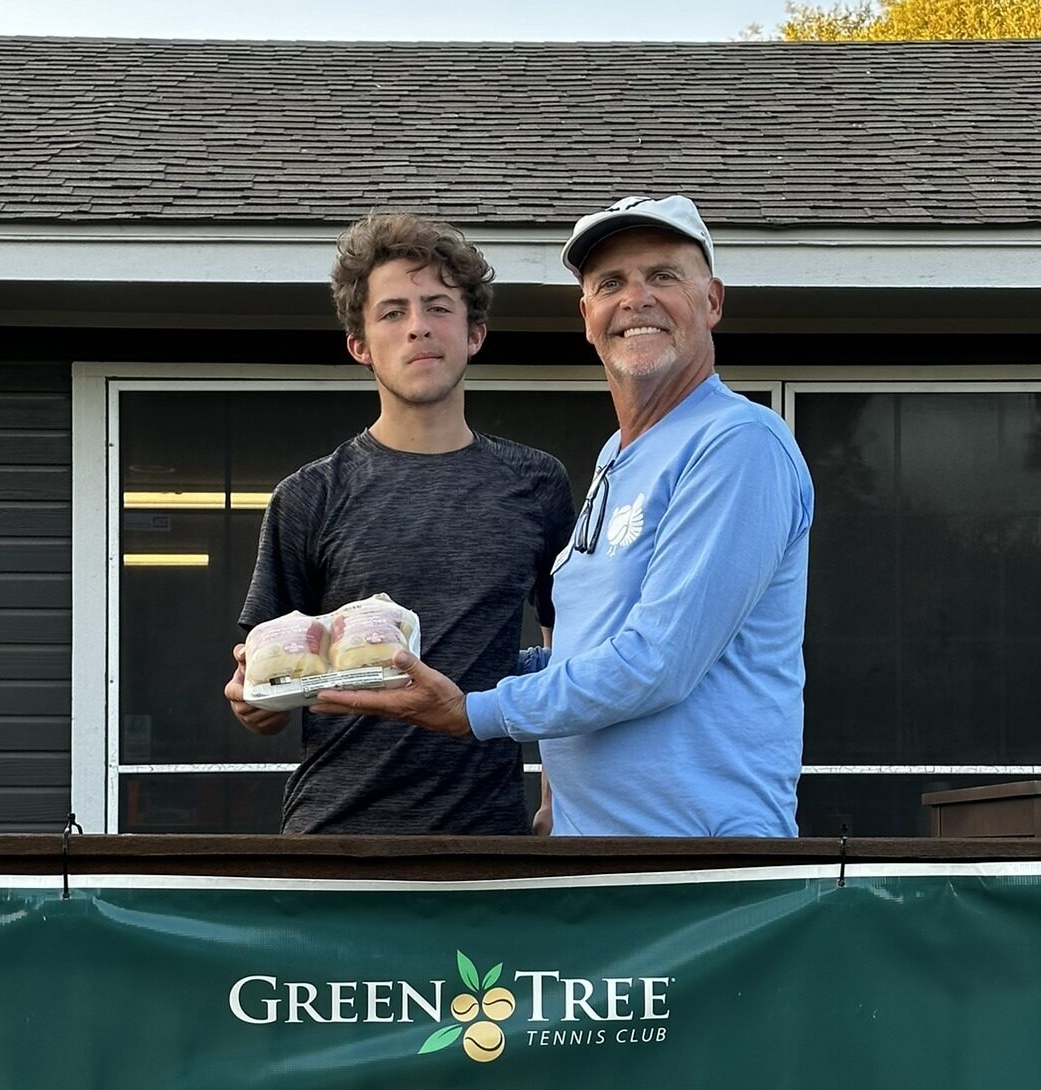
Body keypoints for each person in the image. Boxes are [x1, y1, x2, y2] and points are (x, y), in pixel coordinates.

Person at [314, 195, 815, 838]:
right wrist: (429, 657)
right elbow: (583, 653)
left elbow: (655, 663)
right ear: (587, 316)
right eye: (611, 283)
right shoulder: (617, 457)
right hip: (595, 856)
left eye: (663, 275)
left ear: (712, 301)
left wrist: (471, 710)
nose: (636, 299)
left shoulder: (738, 443)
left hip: (698, 862)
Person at [222, 212, 575, 835]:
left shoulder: (536, 483)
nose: (418, 327)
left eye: (438, 307)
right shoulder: (308, 496)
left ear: (475, 333)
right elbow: (265, 685)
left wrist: (556, 799)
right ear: (359, 345)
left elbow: (566, 653)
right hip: (335, 839)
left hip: (488, 841)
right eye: (392, 312)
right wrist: (257, 704)